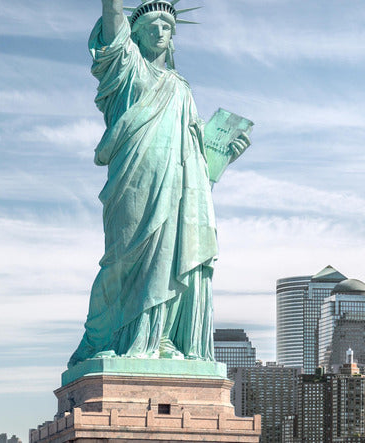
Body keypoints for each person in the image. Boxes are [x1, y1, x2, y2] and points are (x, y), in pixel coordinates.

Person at [68, 0, 249, 368]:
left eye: (167, 26)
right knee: (121, 260)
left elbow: (196, 157)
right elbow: (112, 19)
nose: (160, 31)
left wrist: (225, 156)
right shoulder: (127, 69)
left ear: (173, 37)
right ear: (134, 34)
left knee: (170, 259)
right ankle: (103, 339)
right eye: (152, 24)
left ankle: (160, 338)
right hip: (133, 180)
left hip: (179, 186)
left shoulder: (181, 88)